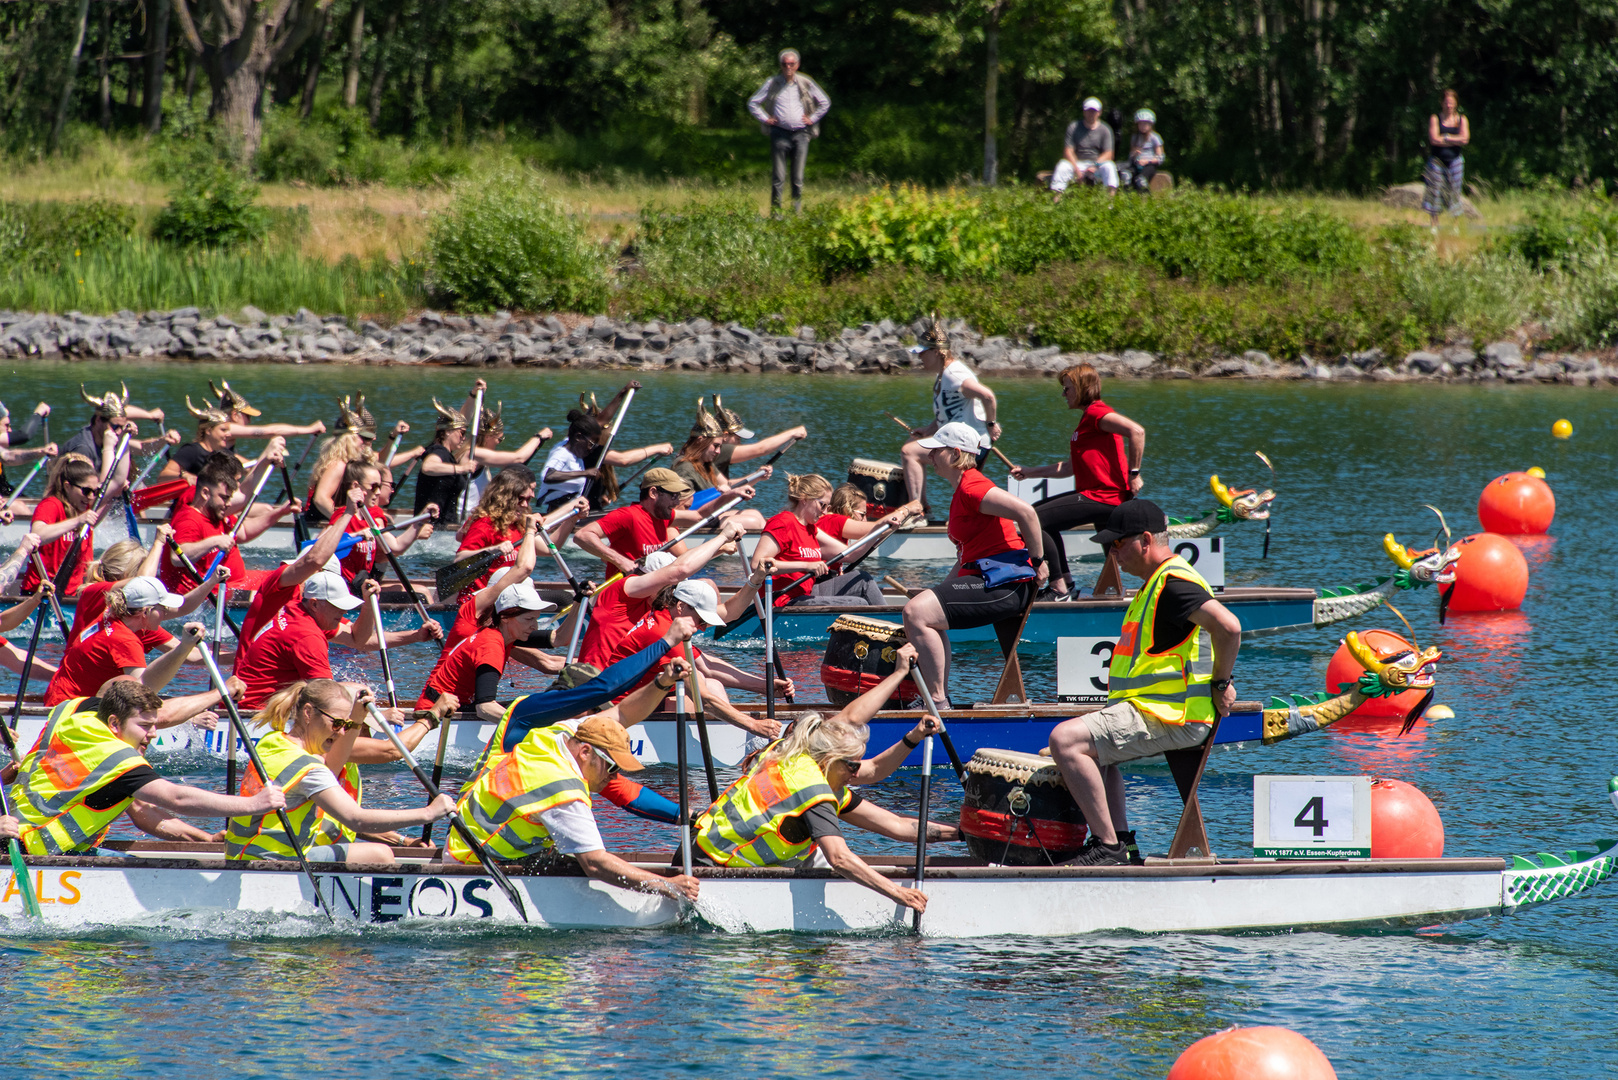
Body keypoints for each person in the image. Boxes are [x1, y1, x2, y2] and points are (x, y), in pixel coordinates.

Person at [1046, 499, 1241, 866]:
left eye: (1118, 543)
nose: (1113, 552)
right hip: (1156, 709)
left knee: (1065, 740)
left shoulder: (1172, 583)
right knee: (1094, 752)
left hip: (1175, 716)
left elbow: (1229, 627)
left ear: (1146, 540)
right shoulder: (1156, 584)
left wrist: (1221, 683)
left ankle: (1107, 846)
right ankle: (1121, 843)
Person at [689, 656, 956, 914]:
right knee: (832, 860)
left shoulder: (790, 751)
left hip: (695, 848)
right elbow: (839, 858)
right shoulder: (814, 793)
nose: (857, 773)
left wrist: (962, 833)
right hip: (712, 871)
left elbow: (897, 825)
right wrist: (899, 893)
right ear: (829, 760)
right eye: (852, 766)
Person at [7, 680, 286, 856]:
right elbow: (178, 798)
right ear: (115, 723)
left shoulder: (76, 709)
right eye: (144, 726)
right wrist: (253, 804)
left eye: (155, 725)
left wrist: (207, 839)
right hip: (33, 853)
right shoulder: (118, 760)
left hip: (18, 831)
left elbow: (143, 814)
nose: (153, 734)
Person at [232, 487, 441, 711]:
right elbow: (313, 559)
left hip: (271, 700)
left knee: (351, 692)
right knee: (349, 696)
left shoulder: (306, 610)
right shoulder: (282, 587)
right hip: (250, 703)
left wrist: (414, 635)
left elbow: (357, 639)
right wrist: (349, 513)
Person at [226, 679, 453, 864]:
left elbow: (333, 763)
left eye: (347, 726)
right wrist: (429, 813)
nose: (342, 733)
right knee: (380, 855)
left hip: (241, 855)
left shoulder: (272, 741)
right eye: (337, 724)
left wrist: (357, 718)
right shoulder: (309, 768)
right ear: (308, 713)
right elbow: (357, 820)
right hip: (276, 862)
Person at [901, 422, 1047, 707]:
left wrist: (1039, 561)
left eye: (936, 452)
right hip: (991, 579)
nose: (929, 457)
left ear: (955, 454)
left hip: (1006, 584)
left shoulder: (973, 485)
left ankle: (937, 702)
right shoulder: (962, 490)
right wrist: (939, 590)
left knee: (915, 612)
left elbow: (1026, 513)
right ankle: (940, 700)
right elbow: (966, 555)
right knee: (926, 609)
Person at [1009, 362, 1145, 598]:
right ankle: (1076, 586)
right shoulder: (1087, 419)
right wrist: (1030, 472)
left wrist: (1134, 474)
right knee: (1036, 518)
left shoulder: (1097, 413)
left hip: (1104, 496)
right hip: (1099, 496)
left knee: (1033, 519)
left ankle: (1060, 586)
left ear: (1083, 389)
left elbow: (1137, 431)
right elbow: (1070, 468)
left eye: (1067, 388)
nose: (1063, 394)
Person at [43, 578, 211, 706]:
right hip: (71, 710)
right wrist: (192, 716)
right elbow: (144, 693)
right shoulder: (125, 641)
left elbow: (184, 610)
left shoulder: (111, 614)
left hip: (59, 697)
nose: (167, 614)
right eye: (163, 609)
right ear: (145, 612)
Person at [161, 448, 301, 594]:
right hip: (214, 595)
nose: (229, 502)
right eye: (235, 481)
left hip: (236, 583)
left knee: (295, 576)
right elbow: (177, 557)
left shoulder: (215, 512)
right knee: (291, 586)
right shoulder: (190, 517)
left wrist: (280, 512)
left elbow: (244, 532)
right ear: (206, 493)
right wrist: (214, 541)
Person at [416, 579, 559, 722]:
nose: (535, 626)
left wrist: (578, 602)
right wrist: (529, 726)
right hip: (433, 713)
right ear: (505, 617)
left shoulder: (503, 633)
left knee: (529, 705)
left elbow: (560, 638)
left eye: (536, 619)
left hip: (454, 706)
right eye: (529, 619)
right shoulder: (491, 645)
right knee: (528, 711)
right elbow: (484, 708)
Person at [899, 319, 999, 515]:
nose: (919, 357)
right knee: (914, 445)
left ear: (937, 352)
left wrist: (991, 424)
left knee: (909, 452)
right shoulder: (943, 374)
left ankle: (916, 510)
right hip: (958, 443)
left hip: (968, 447)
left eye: (923, 352)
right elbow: (950, 412)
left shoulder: (954, 374)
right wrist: (929, 430)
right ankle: (925, 508)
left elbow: (987, 396)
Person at [753, 473, 887, 606]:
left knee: (863, 580)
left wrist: (878, 530)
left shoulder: (811, 529)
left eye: (827, 507)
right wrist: (806, 565)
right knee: (858, 603)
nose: (824, 512)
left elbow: (850, 554)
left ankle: (894, 626)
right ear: (805, 499)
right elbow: (757, 564)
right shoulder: (782, 523)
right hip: (783, 599)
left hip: (806, 592)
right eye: (822, 505)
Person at [748, 48, 830, 214]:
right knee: (778, 177)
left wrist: (812, 119)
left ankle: (796, 213)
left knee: (797, 178)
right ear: (780, 65)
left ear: (797, 65)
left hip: (801, 134)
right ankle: (776, 213)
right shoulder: (772, 83)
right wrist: (765, 118)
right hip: (779, 133)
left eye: (792, 64)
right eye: (785, 64)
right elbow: (753, 102)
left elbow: (825, 102)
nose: (788, 68)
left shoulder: (805, 82)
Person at [670, 398, 769, 530]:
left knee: (755, 514)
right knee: (752, 522)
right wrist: (721, 495)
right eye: (715, 446)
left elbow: (727, 485)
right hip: (693, 522)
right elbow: (678, 507)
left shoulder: (706, 463)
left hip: (709, 516)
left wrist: (757, 476)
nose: (718, 451)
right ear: (700, 440)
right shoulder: (684, 466)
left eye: (720, 447)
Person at [573, 468, 693, 575]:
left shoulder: (662, 516)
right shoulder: (628, 515)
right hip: (624, 592)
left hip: (649, 591)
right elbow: (582, 536)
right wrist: (621, 561)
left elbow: (699, 516)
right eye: (673, 496)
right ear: (653, 493)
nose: (677, 502)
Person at [336, 460, 434, 586]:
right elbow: (396, 547)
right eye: (375, 486)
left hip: (364, 584)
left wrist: (420, 520)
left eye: (380, 486)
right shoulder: (342, 516)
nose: (378, 492)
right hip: (348, 587)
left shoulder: (370, 515)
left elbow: (393, 549)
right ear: (356, 486)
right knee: (422, 594)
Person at [20, 453, 106, 596]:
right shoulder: (51, 505)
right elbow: (37, 535)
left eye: (95, 492)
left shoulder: (85, 507)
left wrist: (111, 444)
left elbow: (116, 481)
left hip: (73, 594)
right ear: (67, 486)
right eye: (86, 491)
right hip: (41, 593)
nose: (91, 497)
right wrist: (77, 521)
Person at [455, 465, 537, 597]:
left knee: (563, 598)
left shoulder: (516, 524)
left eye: (528, 500)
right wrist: (493, 549)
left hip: (505, 594)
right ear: (504, 498)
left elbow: (547, 549)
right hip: (478, 598)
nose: (525, 505)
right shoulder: (484, 524)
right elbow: (459, 559)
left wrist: (571, 518)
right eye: (520, 499)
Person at [461, 399, 551, 516]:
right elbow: (518, 458)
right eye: (499, 438)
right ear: (488, 436)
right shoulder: (472, 453)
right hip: (463, 518)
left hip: (477, 514)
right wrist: (539, 437)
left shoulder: (479, 457)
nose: (499, 443)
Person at [302, 395, 379, 526]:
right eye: (363, 438)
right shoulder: (338, 465)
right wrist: (348, 523)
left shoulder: (348, 463)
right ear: (348, 440)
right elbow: (321, 499)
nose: (366, 443)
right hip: (320, 522)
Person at [414, 395, 478, 525]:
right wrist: (461, 469)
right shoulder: (438, 451)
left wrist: (474, 395)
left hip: (445, 524)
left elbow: (464, 417)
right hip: (432, 527)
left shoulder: (448, 456)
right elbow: (428, 467)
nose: (464, 438)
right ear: (448, 432)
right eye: (462, 433)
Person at [710, 396, 806, 482]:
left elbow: (727, 488)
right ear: (725, 436)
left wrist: (756, 476)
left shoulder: (714, 452)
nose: (740, 444)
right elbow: (761, 449)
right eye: (737, 439)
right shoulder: (720, 451)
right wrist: (793, 433)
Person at [1050, 97, 1118, 198]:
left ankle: (1110, 202)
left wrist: (1095, 165)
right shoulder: (1074, 127)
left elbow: (1108, 154)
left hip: (1096, 164)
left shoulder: (1105, 130)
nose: (1091, 114)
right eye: (1088, 111)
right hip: (1077, 163)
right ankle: (1056, 199)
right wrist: (1077, 170)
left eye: (1094, 111)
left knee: (1110, 166)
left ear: (1099, 113)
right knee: (1062, 166)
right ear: (1084, 112)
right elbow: (1068, 151)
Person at [817, 484, 921, 547]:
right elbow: (877, 529)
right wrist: (906, 509)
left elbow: (879, 531)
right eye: (862, 515)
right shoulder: (833, 520)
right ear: (846, 510)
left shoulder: (834, 522)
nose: (865, 520)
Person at [1424, 89, 1469, 229]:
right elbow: (1433, 139)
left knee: (1454, 191)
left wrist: (1446, 137)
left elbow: (1465, 139)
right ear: (1441, 103)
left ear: (1456, 103)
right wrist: (1455, 139)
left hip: (1455, 160)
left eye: (1451, 102)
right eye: (1446, 102)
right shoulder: (1435, 118)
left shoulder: (1462, 119)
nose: (1448, 105)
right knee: (1435, 191)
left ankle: (1455, 225)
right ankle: (1434, 224)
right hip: (1437, 160)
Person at [1127, 109, 1165, 193]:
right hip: (1136, 164)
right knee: (1126, 176)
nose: (1143, 126)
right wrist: (1135, 154)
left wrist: (1147, 161)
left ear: (1150, 124)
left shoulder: (1155, 137)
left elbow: (1160, 157)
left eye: (1145, 124)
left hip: (1149, 165)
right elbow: (1131, 155)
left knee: (1141, 180)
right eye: (1140, 123)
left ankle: (1146, 199)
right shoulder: (1135, 137)